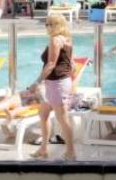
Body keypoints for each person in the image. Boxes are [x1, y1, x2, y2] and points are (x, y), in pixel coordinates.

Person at [30, 14, 76, 160]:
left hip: (57, 84)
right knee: (43, 114)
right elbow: (72, 64)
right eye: (46, 24)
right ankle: (43, 149)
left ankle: (71, 152)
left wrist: (37, 82)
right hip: (57, 83)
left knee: (62, 118)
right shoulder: (66, 40)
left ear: (58, 25)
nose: (47, 27)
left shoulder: (55, 40)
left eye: (50, 24)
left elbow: (51, 64)